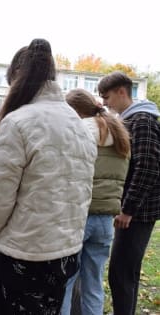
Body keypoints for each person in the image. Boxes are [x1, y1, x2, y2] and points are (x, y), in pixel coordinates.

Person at [0, 39, 97, 314]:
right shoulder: (78, 124)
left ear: (18, 79)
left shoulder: (18, 122)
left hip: (24, 256)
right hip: (65, 254)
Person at [60, 88, 130, 315]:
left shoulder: (78, 133)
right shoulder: (120, 135)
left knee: (66, 283)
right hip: (105, 221)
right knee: (93, 284)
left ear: (75, 112)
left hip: (79, 217)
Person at [98, 71, 160, 315]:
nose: (104, 102)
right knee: (126, 273)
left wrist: (128, 209)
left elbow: (147, 167)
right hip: (135, 211)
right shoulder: (134, 119)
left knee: (121, 273)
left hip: (138, 213)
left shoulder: (142, 121)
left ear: (121, 92)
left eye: (106, 96)